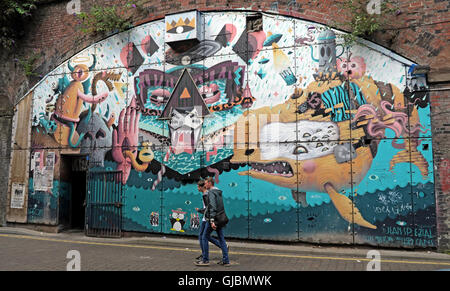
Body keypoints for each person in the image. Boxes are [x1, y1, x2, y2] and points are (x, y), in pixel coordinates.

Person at [195, 177, 230, 267]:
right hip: (221, 218)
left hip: (214, 219)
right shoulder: (218, 192)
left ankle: (205, 259)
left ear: (210, 183)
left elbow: (212, 207)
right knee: (221, 239)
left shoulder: (211, 193)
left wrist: (212, 221)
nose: (205, 185)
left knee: (204, 236)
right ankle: (226, 260)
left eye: (206, 183)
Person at [194, 180, 222, 263]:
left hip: (208, 218)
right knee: (202, 236)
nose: (197, 188)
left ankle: (205, 258)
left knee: (204, 237)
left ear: (202, 187)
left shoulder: (206, 195)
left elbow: (208, 208)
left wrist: (200, 210)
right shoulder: (205, 194)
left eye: (198, 187)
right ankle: (204, 254)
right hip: (206, 218)